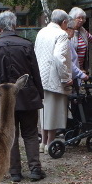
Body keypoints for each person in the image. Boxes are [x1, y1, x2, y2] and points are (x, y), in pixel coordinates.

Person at [0, 11, 46, 182]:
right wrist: (40, 94)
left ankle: (15, 172)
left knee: (11, 135)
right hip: (27, 95)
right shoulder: (26, 44)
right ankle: (35, 169)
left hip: (4, 98)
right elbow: (35, 73)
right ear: (15, 25)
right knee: (31, 133)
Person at [34, 9, 73, 154]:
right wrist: (66, 77)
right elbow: (58, 57)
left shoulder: (41, 32)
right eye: (67, 24)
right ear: (63, 22)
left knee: (44, 111)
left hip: (40, 78)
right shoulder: (61, 34)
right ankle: (50, 143)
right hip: (54, 79)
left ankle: (43, 142)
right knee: (54, 112)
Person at [66, 19, 89, 84]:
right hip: (70, 78)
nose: (74, 31)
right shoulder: (66, 42)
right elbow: (68, 62)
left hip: (74, 75)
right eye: (73, 29)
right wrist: (80, 74)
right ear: (68, 29)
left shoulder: (69, 41)